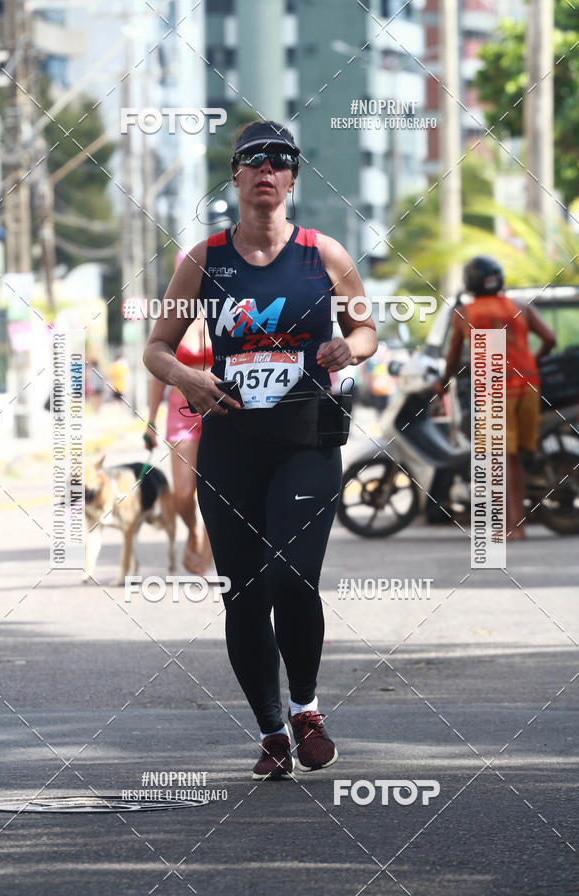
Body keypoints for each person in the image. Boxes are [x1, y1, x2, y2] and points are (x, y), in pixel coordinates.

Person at [144, 120, 377, 779]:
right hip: (231, 445)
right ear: (238, 176)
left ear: (293, 178)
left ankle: (306, 706)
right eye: (254, 161)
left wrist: (346, 347)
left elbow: (366, 331)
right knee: (242, 592)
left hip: (306, 441)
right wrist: (188, 376)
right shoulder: (204, 260)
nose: (267, 170)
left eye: (281, 161)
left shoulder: (323, 255)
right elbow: (156, 347)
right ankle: (272, 730)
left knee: (291, 576)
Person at [434, 255, 555, 540]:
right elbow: (549, 338)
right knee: (514, 458)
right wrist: (532, 362)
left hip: (496, 389)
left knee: (500, 459)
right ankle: (518, 525)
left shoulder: (464, 313)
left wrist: (442, 382)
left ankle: (511, 527)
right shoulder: (521, 307)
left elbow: (452, 357)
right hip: (528, 385)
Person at [145, 317, 213, 574]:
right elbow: (158, 371)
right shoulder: (173, 313)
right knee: (183, 494)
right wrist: (150, 420)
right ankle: (193, 530)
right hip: (181, 409)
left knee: (217, 488)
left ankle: (208, 553)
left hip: (219, 406)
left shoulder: (224, 301)